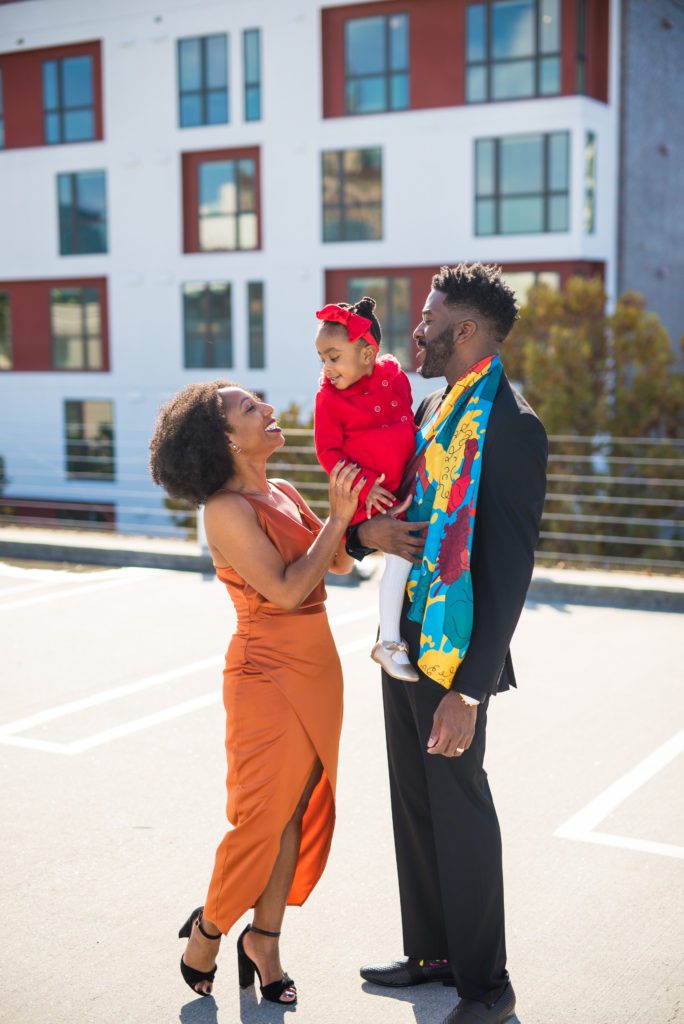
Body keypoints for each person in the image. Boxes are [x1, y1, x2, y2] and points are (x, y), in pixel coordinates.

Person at [347, 264, 548, 1024]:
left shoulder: (514, 426)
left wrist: (471, 688)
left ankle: (487, 988)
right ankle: (431, 954)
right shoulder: (433, 405)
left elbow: (510, 572)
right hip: (400, 644)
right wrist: (368, 531)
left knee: (459, 811)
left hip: (455, 657)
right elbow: (406, 513)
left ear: (465, 331)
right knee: (413, 804)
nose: (416, 327)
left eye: (429, 316)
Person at [149, 381, 363, 1004]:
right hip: (264, 671)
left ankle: (264, 940)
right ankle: (210, 928)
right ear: (224, 439)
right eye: (251, 409)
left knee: (295, 810)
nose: (269, 410)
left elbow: (341, 564)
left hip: (318, 664)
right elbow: (289, 590)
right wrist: (341, 519)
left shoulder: (283, 491)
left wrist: (349, 509)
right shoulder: (223, 510)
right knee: (259, 821)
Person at [313, 296, 419, 681]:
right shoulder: (328, 399)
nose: (326, 367)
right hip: (370, 495)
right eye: (322, 358)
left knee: (415, 552)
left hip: (406, 485)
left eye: (334, 357)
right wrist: (362, 488)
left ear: (367, 356)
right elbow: (328, 453)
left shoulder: (395, 377)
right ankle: (389, 642)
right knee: (401, 556)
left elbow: (407, 418)